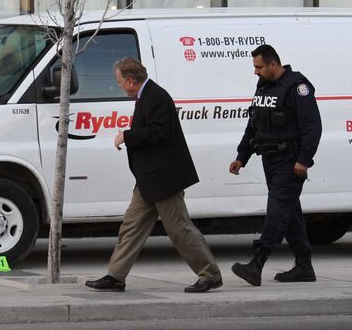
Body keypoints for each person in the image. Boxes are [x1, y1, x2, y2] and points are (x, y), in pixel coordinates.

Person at [85, 57, 222, 293]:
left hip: (164, 178)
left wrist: (127, 136)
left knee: (179, 228)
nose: (118, 85)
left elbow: (158, 132)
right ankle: (115, 277)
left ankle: (210, 274)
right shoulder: (146, 95)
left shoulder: (156, 96)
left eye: (119, 81)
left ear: (130, 81)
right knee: (131, 227)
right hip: (149, 178)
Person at [230, 44, 322, 286]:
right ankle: (304, 266)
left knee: (278, 210)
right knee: (289, 212)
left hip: (289, 160)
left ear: (273, 64)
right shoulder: (263, 86)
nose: (255, 72)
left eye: (259, 67)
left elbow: (313, 127)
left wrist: (304, 160)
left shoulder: (297, 87)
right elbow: (254, 125)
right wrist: (242, 156)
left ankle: (257, 263)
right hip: (269, 159)